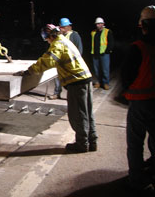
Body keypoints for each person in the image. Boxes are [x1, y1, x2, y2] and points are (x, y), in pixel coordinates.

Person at [14, 24, 97, 153]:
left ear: (51, 36)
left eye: (47, 39)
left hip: (77, 83)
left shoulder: (58, 44)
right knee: (87, 113)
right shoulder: (64, 41)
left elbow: (47, 61)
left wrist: (29, 71)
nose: (47, 41)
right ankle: (92, 141)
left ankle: (82, 144)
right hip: (85, 80)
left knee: (78, 115)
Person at [121, 5, 155, 195]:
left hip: (141, 102)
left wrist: (129, 92)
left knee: (135, 143)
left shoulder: (138, 47)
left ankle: (137, 180)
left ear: (143, 25)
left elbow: (127, 77)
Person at [49, 18, 83, 100]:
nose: (61, 29)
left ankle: (73, 96)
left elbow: (79, 49)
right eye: (60, 27)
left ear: (67, 27)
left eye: (62, 27)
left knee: (71, 81)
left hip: (70, 62)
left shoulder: (74, 35)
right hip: (60, 61)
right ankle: (57, 93)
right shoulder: (60, 35)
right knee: (57, 77)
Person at [91, 17, 114, 90]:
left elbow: (111, 42)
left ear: (103, 24)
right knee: (97, 70)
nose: (98, 25)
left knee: (105, 69)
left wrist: (107, 50)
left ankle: (105, 83)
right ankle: (98, 82)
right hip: (95, 53)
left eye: (99, 23)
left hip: (104, 54)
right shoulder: (93, 32)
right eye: (97, 24)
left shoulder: (107, 31)